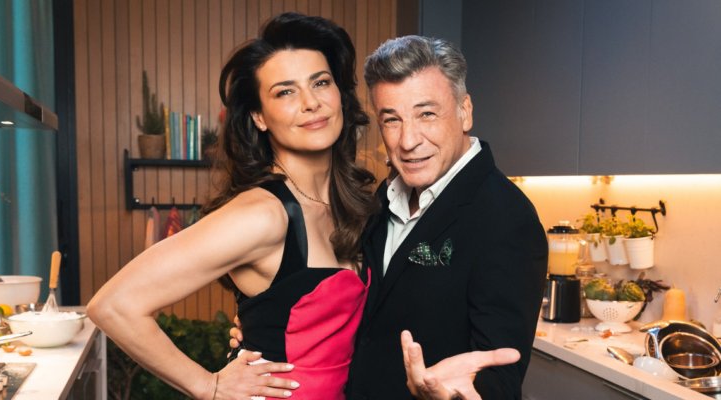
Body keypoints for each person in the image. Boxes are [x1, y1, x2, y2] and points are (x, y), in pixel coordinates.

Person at [232, 35, 549, 400]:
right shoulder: (383, 197)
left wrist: (454, 396)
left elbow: (500, 372)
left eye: (426, 114)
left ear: (465, 111)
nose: (408, 140)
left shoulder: (507, 218)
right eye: (392, 120)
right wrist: (264, 323)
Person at [87, 13, 383, 400]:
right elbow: (112, 306)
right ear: (259, 116)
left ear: (340, 94)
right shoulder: (262, 214)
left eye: (321, 82)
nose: (311, 102)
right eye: (285, 92)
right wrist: (208, 385)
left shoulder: (352, 204)